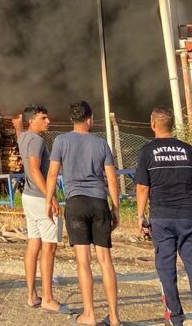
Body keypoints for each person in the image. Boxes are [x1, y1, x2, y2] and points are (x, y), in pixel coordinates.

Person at [135, 105, 192, 326]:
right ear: (172, 125)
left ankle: (175, 318)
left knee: (166, 270)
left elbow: (142, 188)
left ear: (153, 124)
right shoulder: (189, 150)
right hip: (189, 218)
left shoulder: (146, 152)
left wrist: (140, 216)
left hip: (161, 219)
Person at [46, 100, 122, 326]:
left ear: (72, 119)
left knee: (83, 262)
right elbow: (111, 178)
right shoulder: (101, 144)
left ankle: (89, 314)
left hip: (76, 204)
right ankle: (115, 317)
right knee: (105, 261)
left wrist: (49, 200)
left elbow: (52, 174)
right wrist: (115, 208)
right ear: (90, 119)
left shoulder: (60, 141)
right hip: (99, 202)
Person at [18, 104, 64, 311]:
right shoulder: (36, 140)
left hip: (28, 196)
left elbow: (18, 131)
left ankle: (31, 296)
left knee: (33, 244)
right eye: (43, 118)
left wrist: (16, 125)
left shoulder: (23, 137)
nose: (48, 121)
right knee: (49, 247)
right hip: (39, 197)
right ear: (32, 121)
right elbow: (35, 170)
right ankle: (47, 298)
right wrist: (50, 197)